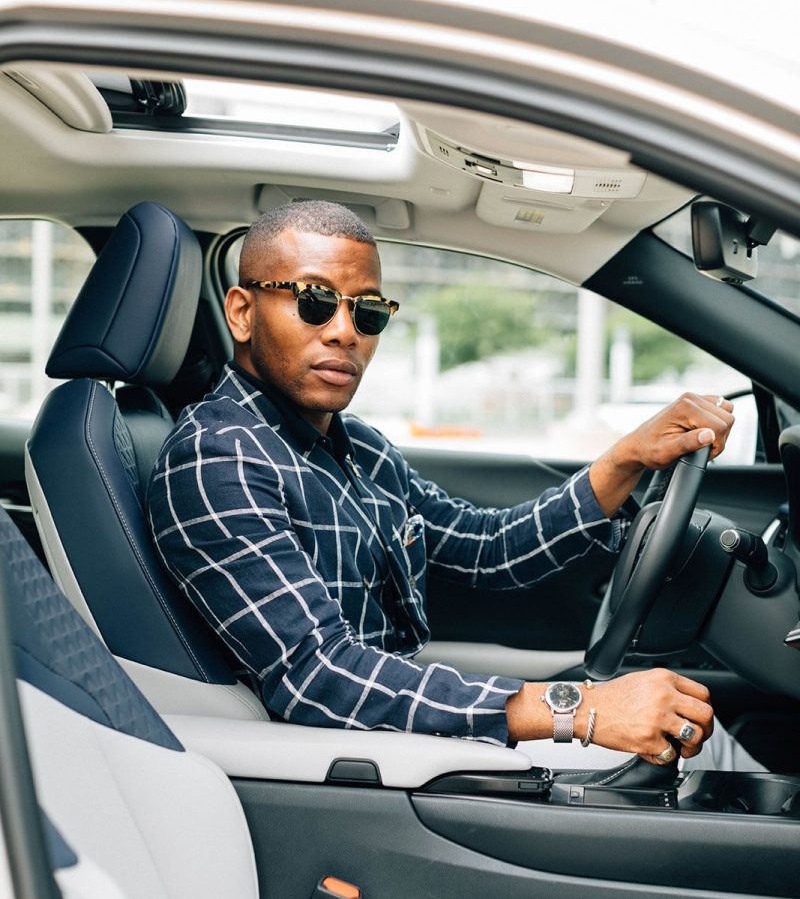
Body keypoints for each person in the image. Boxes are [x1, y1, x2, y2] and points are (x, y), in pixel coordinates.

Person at [147, 200, 761, 771]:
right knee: (698, 754)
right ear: (242, 312)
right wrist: (581, 708)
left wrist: (626, 458)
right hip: (337, 757)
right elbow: (319, 675)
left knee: (699, 737)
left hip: (391, 717)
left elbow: (484, 548)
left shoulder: (353, 445)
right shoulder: (217, 458)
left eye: (365, 310)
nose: (344, 332)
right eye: (314, 301)